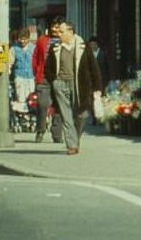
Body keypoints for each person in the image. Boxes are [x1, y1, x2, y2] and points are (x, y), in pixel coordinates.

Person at [44, 20, 102, 155]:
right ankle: (72, 145)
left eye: (61, 32)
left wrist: (97, 87)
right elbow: (48, 68)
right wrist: (54, 80)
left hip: (79, 86)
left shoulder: (83, 46)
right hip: (60, 84)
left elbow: (94, 68)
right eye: (58, 32)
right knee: (66, 116)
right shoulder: (55, 47)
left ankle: (74, 139)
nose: (58, 34)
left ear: (70, 32)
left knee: (82, 114)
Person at [32, 18, 63, 143]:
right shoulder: (42, 40)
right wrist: (36, 72)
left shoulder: (66, 40)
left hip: (60, 77)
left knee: (60, 105)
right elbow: (35, 57)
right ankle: (40, 130)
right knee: (42, 104)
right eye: (53, 26)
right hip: (44, 77)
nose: (55, 29)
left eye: (58, 26)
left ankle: (57, 134)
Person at [11, 28, 36, 113]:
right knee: (20, 98)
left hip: (31, 77)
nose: (22, 41)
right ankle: (22, 117)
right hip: (19, 76)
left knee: (31, 98)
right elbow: (10, 62)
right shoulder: (14, 49)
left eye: (24, 39)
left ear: (28, 38)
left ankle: (31, 116)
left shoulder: (33, 48)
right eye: (20, 39)